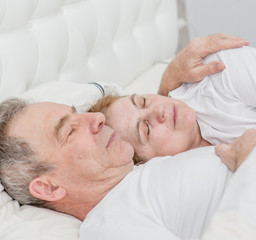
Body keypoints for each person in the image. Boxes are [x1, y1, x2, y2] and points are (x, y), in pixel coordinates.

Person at [0, 98, 255, 240]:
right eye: (70, 130)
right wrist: (247, 167)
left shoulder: (145, 172)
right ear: (49, 187)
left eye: (78, 113)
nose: (97, 118)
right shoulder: (107, 224)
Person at [89, 45, 256, 163]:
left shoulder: (216, 72)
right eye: (146, 129)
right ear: (148, 162)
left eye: (143, 102)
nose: (158, 111)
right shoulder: (189, 181)